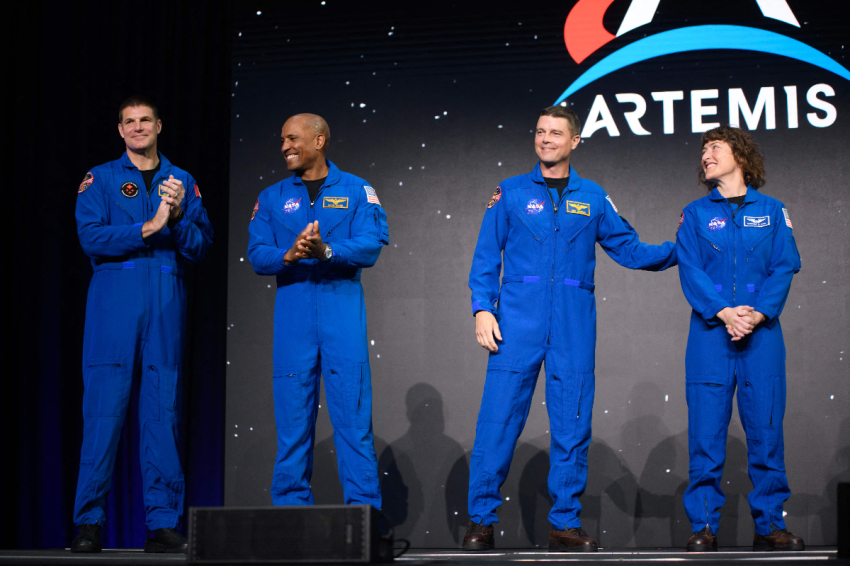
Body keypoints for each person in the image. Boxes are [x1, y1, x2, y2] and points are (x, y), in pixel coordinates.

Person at [464, 106, 677, 552]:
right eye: (540, 131)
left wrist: (682, 247)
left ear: (574, 141)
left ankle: (564, 522)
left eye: (556, 133)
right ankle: (481, 522)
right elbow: (486, 257)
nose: (546, 139)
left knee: (572, 425)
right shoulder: (511, 192)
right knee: (497, 423)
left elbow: (630, 249)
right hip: (516, 324)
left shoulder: (593, 196)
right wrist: (483, 309)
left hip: (573, 326)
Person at [72, 95, 214, 553]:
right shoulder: (101, 178)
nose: (137, 128)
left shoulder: (182, 181)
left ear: (158, 126)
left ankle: (162, 522)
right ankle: (89, 522)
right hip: (115, 299)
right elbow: (90, 237)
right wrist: (148, 228)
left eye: (145, 120)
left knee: (162, 413)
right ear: (120, 130)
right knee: (102, 413)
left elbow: (200, 245)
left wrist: (174, 220)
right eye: (129, 122)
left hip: (166, 299)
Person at [247, 113, 388, 509]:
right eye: (282, 140)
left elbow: (371, 244)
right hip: (293, 316)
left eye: (292, 139)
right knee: (293, 425)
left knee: (353, 423)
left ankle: (365, 516)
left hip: (341, 309)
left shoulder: (359, 190)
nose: (285, 147)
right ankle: (290, 514)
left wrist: (328, 250)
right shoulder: (273, 197)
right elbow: (257, 253)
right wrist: (288, 254)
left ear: (319, 140)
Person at [677, 126, 804, 552]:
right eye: (703, 150)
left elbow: (784, 266)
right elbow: (690, 269)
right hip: (711, 334)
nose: (706, 155)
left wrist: (758, 313)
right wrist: (724, 312)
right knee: (706, 435)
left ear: (741, 155)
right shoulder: (694, 215)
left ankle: (769, 525)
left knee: (766, 432)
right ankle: (704, 527)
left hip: (761, 335)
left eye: (714, 147)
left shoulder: (772, 211)